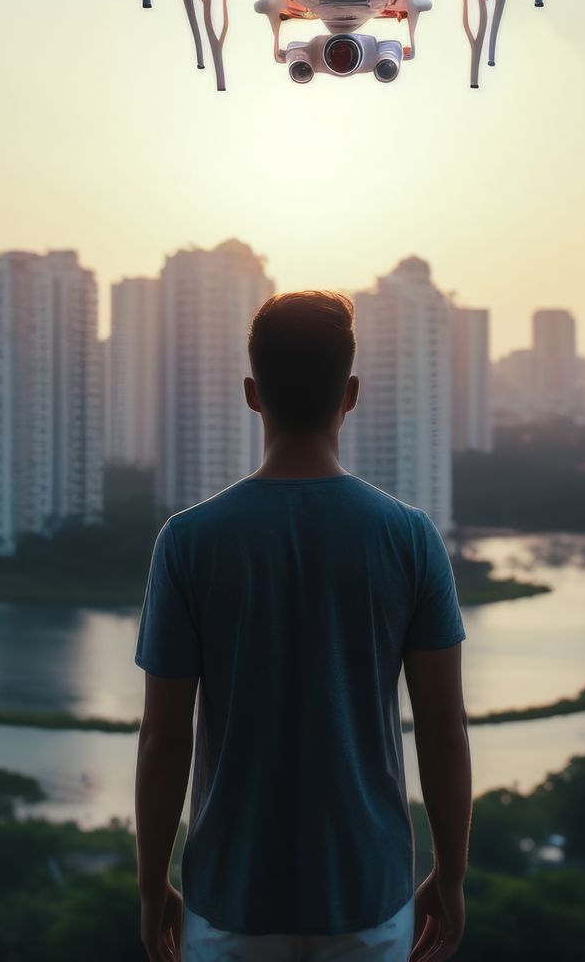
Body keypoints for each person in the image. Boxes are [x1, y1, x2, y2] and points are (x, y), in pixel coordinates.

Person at [134, 290, 472, 962]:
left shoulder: (189, 541)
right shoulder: (409, 537)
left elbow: (165, 737)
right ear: (350, 394)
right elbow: (442, 727)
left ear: (252, 393)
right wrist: (452, 874)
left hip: (230, 897)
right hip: (367, 895)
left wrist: (151, 886)